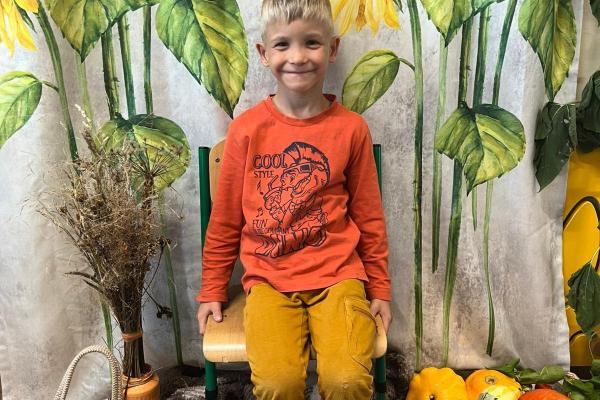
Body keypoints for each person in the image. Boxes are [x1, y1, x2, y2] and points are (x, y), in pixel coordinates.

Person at [196, 0, 392, 398]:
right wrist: (213, 288)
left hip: (339, 277)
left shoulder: (352, 130)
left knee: (347, 381)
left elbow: (369, 219)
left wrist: (380, 288)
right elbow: (226, 220)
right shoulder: (246, 130)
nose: (298, 56)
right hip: (268, 280)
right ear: (263, 53)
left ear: (332, 48)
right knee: (277, 384)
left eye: (311, 42)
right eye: (283, 44)